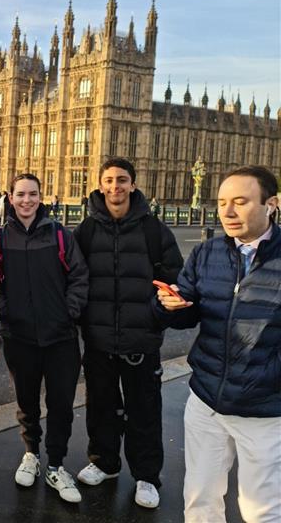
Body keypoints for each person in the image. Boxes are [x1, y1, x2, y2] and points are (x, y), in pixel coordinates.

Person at [153, 166, 280, 523]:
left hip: (263, 407)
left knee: (262, 510)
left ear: (271, 204)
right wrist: (168, 305)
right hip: (207, 400)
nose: (227, 211)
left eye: (240, 202)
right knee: (200, 499)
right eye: (222, 202)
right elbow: (186, 311)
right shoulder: (208, 253)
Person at [72, 157, 183, 509]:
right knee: (100, 407)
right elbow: (74, 280)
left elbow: (176, 284)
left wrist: (156, 316)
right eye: (109, 180)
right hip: (99, 339)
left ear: (133, 185)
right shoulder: (86, 231)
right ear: (101, 185)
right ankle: (104, 462)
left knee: (144, 411)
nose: (115, 186)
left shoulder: (154, 231)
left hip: (140, 340)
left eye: (122, 180)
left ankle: (147, 476)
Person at [0, 174, 89, 503]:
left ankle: (57, 463)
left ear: (41, 196)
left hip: (60, 335)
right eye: (20, 194)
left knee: (61, 403)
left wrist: (69, 312)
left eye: (32, 194)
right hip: (20, 335)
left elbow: (79, 275)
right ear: (10, 197)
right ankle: (31, 454)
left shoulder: (60, 234)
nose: (26, 200)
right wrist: (8, 314)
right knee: (26, 401)